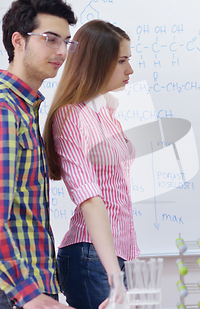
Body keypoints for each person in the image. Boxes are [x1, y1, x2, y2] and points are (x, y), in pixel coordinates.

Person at [0, 0, 77, 309]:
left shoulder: (23, 107)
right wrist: (29, 296)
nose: (61, 51)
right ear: (18, 41)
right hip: (10, 291)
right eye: (50, 39)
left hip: (24, 284)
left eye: (66, 41)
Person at [43, 20, 139, 309]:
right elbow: (89, 199)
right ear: (96, 62)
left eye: (129, 60)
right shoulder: (71, 115)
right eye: (122, 61)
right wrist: (114, 276)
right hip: (91, 257)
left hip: (115, 255)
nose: (130, 70)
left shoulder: (107, 112)